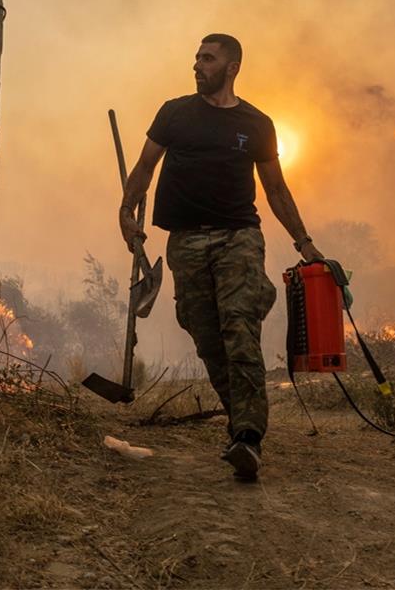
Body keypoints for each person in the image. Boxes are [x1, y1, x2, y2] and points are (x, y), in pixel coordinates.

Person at [118, 33, 324, 481]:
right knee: (206, 335)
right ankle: (240, 426)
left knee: (240, 329)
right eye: (196, 57)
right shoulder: (174, 112)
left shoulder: (257, 123)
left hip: (239, 239)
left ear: (231, 68)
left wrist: (303, 242)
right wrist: (126, 210)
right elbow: (145, 166)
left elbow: (275, 188)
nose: (197, 65)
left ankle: (249, 438)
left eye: (207, 59)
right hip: (185, 241)